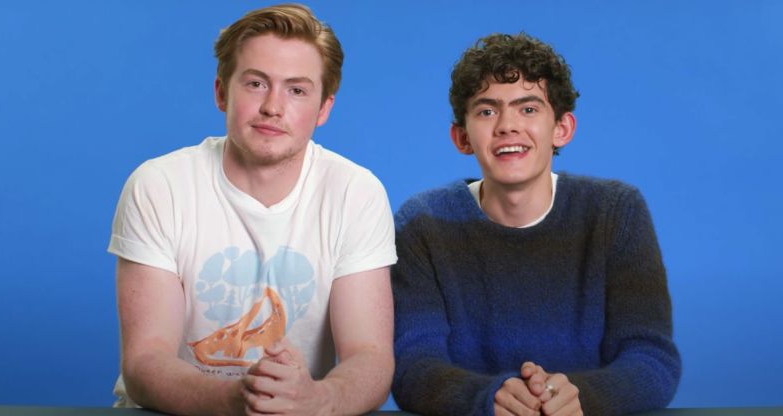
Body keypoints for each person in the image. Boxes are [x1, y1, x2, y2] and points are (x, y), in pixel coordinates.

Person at [108, 4, 396, 415]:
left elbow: (369, 357)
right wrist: (239, 399)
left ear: (324, 108)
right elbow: (144, 362)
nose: (273, 107)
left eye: (297, 90)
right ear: (222, 92)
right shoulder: (159, 186)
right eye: (256, 83)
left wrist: (319, 400)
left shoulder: (356, 193)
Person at [391, 32, 681, 416]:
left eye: (528, 109)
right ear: (461, 137)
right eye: (486, 111)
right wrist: (487, 398)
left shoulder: (616, 212)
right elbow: (413, 368)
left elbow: (653, 359)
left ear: (562, 128)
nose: (508, 126)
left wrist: (580, 396)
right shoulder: (422, 223)